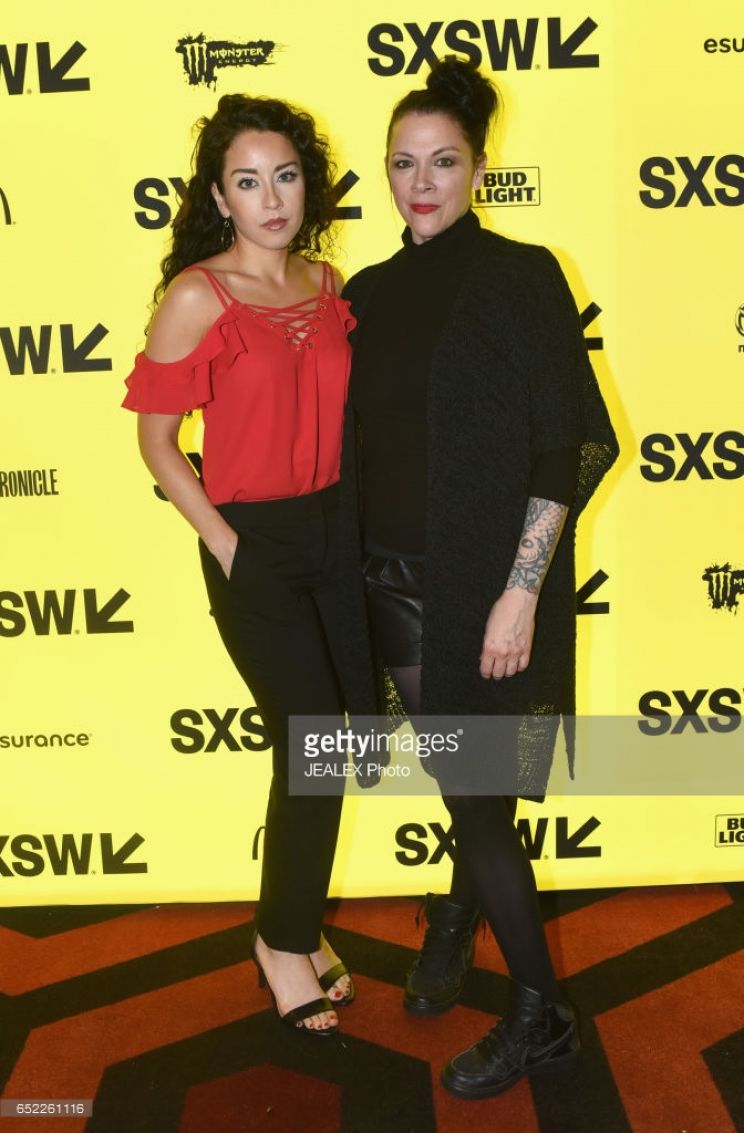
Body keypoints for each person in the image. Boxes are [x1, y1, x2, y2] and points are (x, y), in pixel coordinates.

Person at [340, 58, 618, 1095]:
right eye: (403, 162)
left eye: (443, 161)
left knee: (477, 792)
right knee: (475, 784)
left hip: (487, 585)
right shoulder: (364, 294)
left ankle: (541, 1013)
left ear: (479, 168)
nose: (421, 183)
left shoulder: (523, 276)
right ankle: (458, 914)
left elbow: (565, 442)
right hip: (387, 583)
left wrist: (521, 588)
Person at [122, 93, 359, 1037]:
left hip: (337, 536)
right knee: (312, 744)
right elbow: (158, 442)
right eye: (249, 182)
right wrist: (229, 547)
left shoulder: (328, 283)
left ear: (307, 184)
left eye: (286, 176)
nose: (272, 198)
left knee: (332, 746)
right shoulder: (198, 295)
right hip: (251, 540)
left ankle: (293, 927)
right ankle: (282, 943)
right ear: (220, 198)